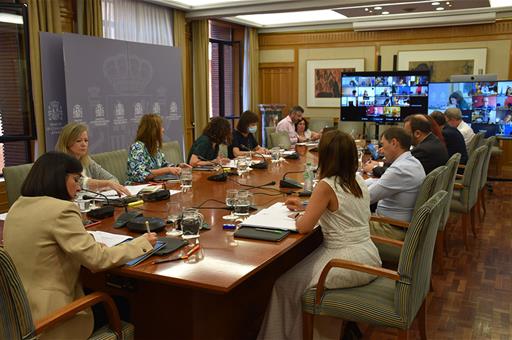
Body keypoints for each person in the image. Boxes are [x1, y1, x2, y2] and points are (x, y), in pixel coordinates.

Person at [3, 151, 157, 340]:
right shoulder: (62, 210)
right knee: (123, 303)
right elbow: (97, 260)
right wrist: (141, 244)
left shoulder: (17, 207)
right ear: (59, 178)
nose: (78, 187)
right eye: (75, 180)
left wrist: (88, 242)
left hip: (17, 316)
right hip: (52, 321)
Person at [257, 131, 381, 340]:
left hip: (344, 261)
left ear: (326, 156)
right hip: (368, 255)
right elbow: (341, 207)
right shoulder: (357, 179)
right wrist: (308, 205)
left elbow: (304, 227)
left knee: (283, 286)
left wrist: (299, 215)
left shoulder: (327, 185)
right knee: (293, 278)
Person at [365, 127, 425, 241]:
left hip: (390, 228)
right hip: (397, 223)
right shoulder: (412, 162)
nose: (381, 150)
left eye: (383, 144)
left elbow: (366, 197)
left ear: (394, 143)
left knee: (342, 223)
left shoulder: (400, 169)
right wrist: (363, 182)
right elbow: (382, 183)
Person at [55, 122, 130, 196]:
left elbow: (113, 180)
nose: (84, 144)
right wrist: (106, 184)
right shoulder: (62, 163)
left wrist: (101, 186)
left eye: (86, 140)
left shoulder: (87, 161)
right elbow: (81, 183)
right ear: (67, 143)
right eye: (78, 141)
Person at [126, 113, 189, 184]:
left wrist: (177, 167)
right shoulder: (137, 147)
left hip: (154, 185)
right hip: (137, 188)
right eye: (161, 127)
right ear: (153, 130)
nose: (163, 130)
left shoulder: (154, 146)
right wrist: (168, 169)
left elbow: (163, 164)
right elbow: (140, 175)